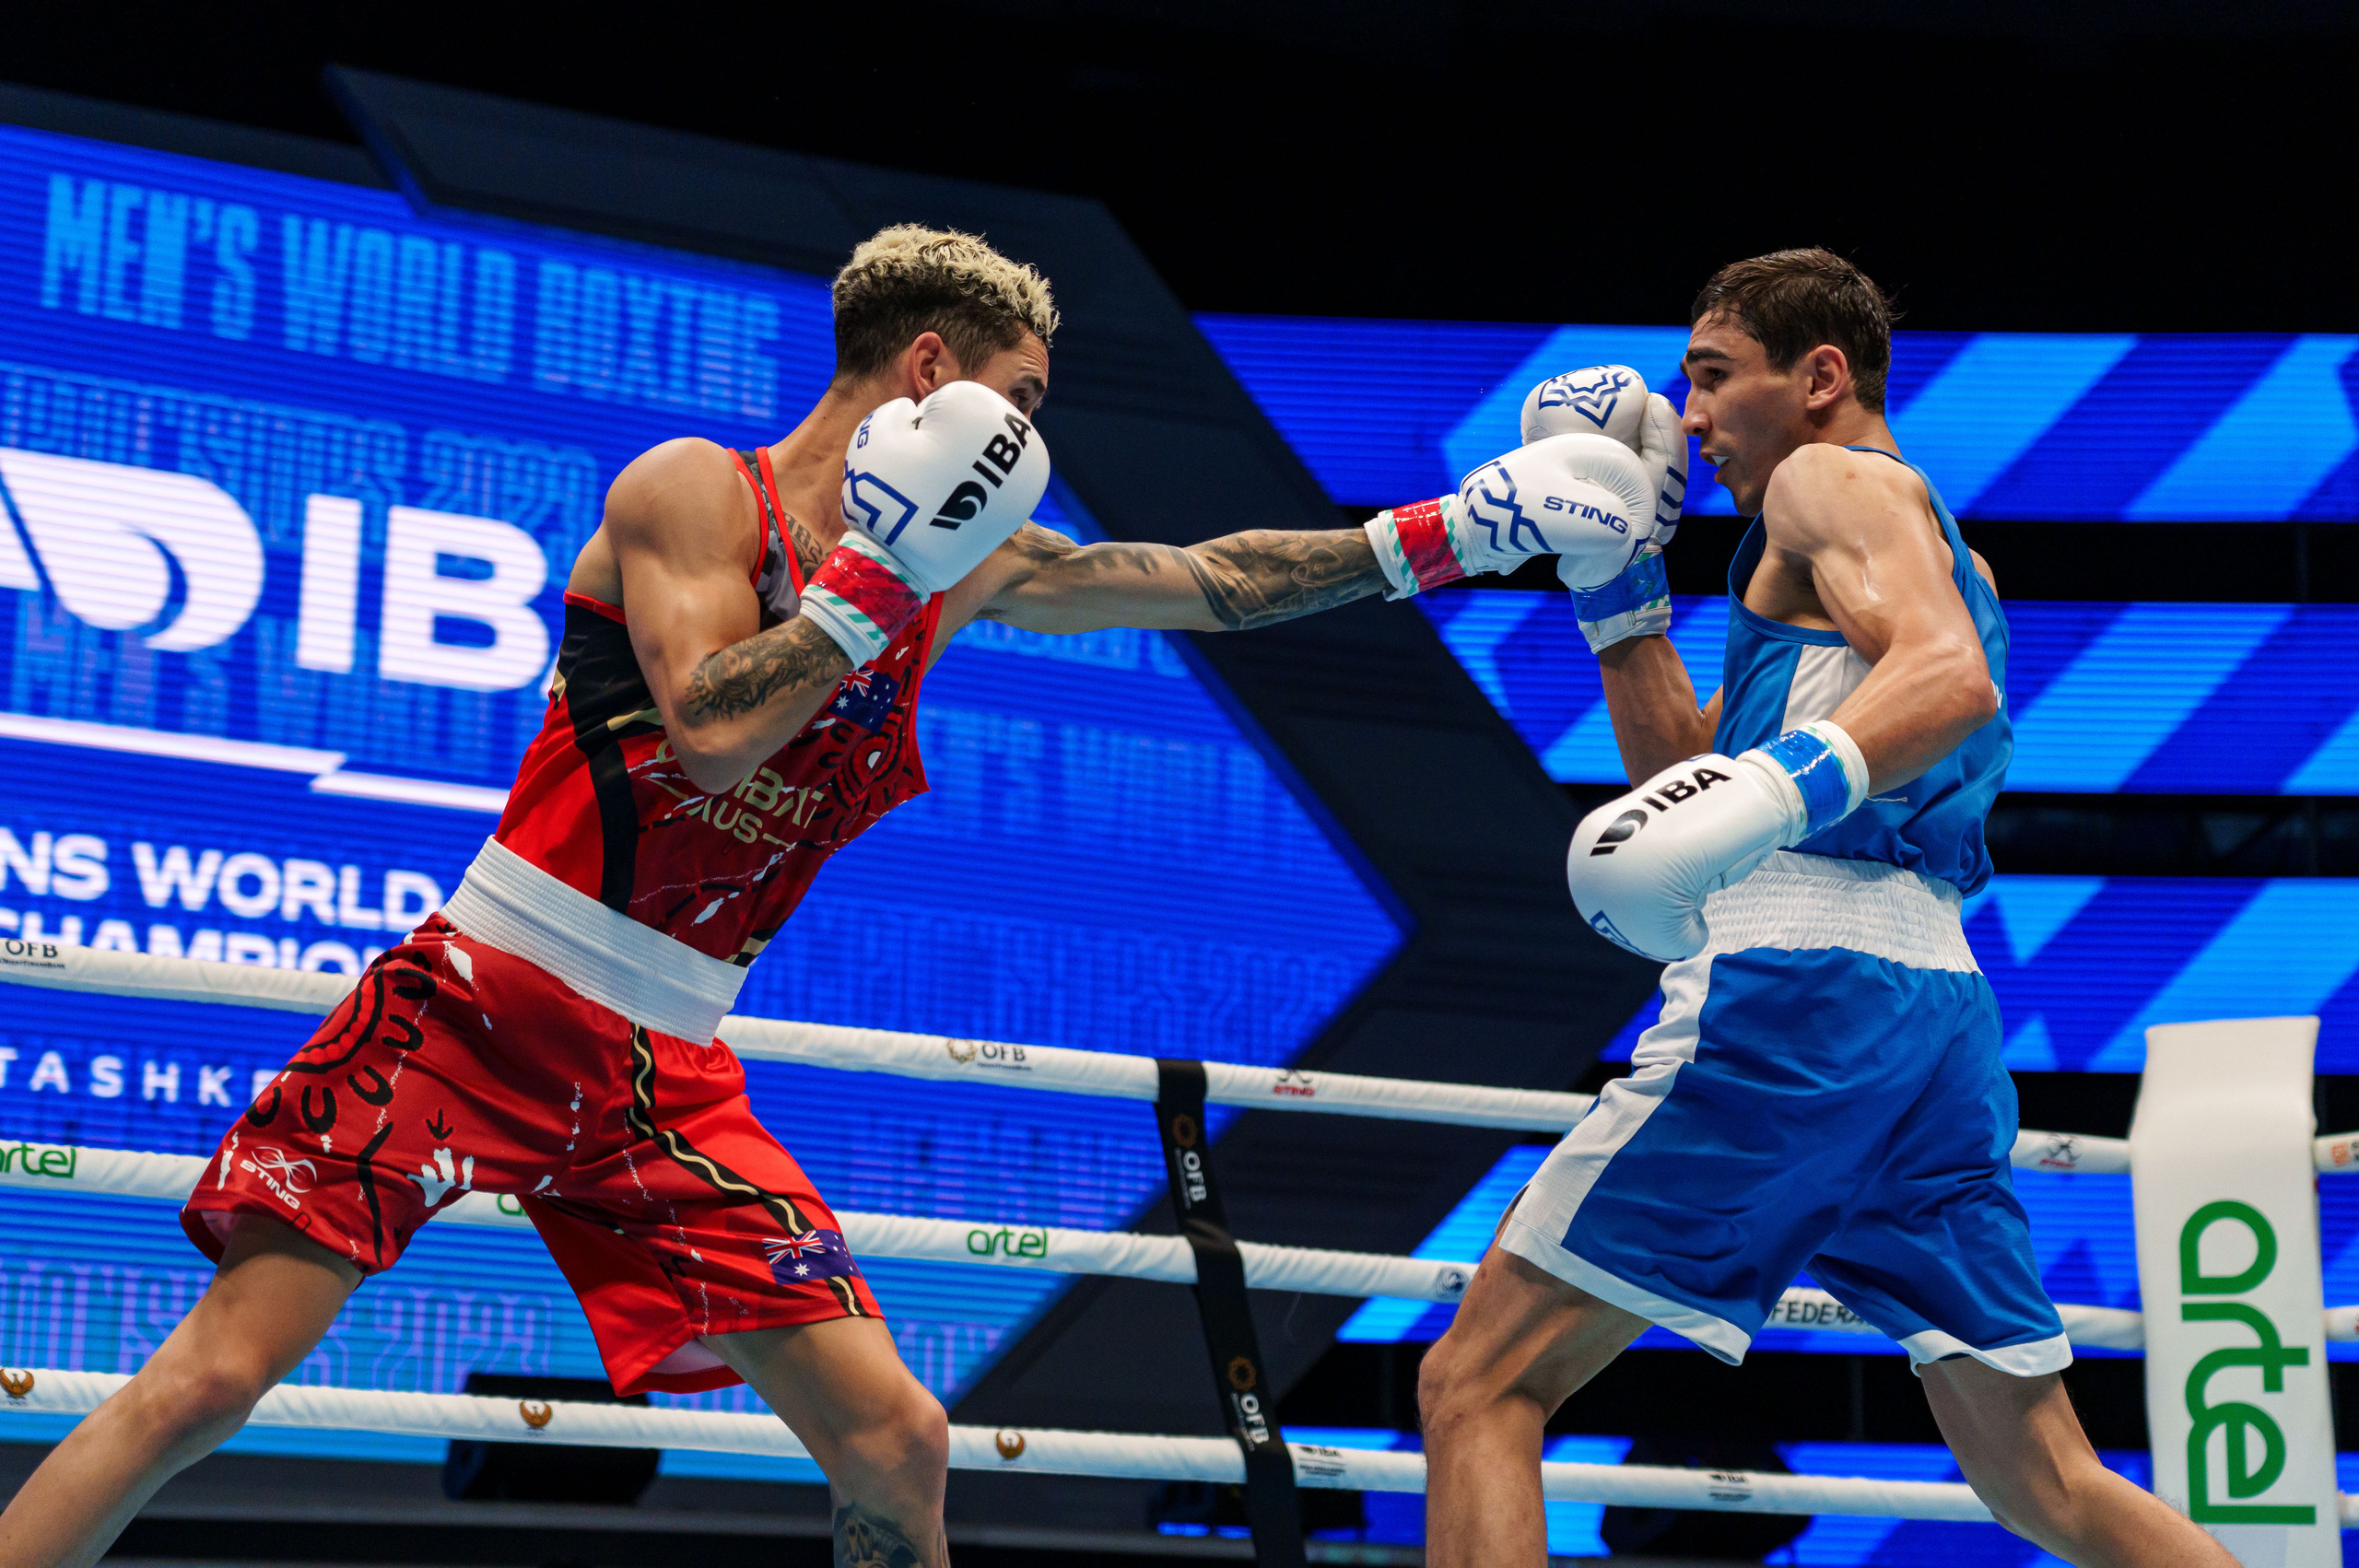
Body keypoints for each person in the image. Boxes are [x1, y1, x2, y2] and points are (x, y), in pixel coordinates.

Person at [0, 223, 1637, 1568]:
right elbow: (712, 732)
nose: (1035, 431)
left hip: (666, 1076)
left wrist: (1447, 532)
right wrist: (874, 577)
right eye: (1021, 393)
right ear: (932, 373)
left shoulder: (968, 558)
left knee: (894, 1443)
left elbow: (1204, 583)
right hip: (484, 1004)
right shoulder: (693, 493)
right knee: (214, 1381)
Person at [1414, 249, 2241, 1567]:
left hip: (1797, 993)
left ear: (1819, 378)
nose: (1688, 418)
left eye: (1711, 377)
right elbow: (1692, 793)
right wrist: (1617, 599)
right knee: (2050, 1482)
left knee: (1479, 1386)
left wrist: (1770, 797)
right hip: (1934, 1021)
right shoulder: (1898, 532)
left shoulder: (1825, 476)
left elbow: (1948, 682)